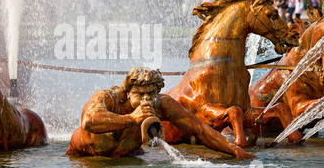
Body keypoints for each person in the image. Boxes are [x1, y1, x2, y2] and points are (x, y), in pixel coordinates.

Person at [67, 67, 254, 158]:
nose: (147, 99)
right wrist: (131, 118)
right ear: (128, 93)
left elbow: (200, 129)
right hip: (84, 157)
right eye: (140, 94)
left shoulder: (162, 104)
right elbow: (89, 121)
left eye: (151, 93)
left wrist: (235, 151)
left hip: (125, 157)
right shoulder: (110, 98)